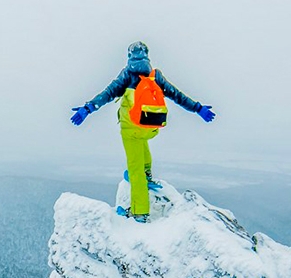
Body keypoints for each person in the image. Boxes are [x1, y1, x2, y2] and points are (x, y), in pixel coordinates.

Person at [69, 41, 215, 222]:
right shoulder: (155, 76)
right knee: (143, 143)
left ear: (130, 56)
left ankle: (140, 211)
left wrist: (87, 108)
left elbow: (106, 94)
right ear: (147, 55)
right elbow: (177, 95)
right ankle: (148, 174)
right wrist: (198, 108)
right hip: (151, 127)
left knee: (134, 169)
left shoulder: (127, 75)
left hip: (131, 129)